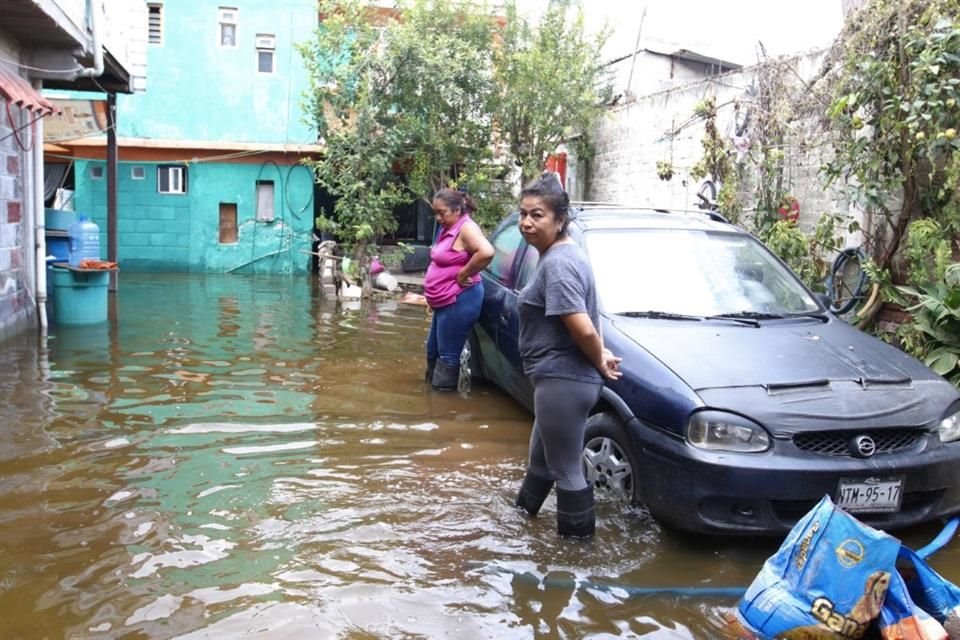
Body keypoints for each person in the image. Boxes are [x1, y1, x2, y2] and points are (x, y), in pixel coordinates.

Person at [513, 172, 622, 538]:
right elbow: (593, 316)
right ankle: (520, 522)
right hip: (557, 379)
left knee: (566, 470)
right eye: (524, 213)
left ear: (560, 220)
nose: (527, 222)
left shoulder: (559, 263)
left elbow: (583, 327)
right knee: (542, 463)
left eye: (538, 215)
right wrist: (601, 354)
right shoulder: (565, 253)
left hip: (563, 380)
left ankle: (575, 554)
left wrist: (597, 359)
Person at [423, 188, 494, 391]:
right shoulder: (447, 227)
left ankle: (442, 406)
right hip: (444, 301)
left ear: (457, 210)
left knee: (448, 356)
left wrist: (463, 274)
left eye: (442, 212)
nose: (438, 218)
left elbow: (487, 252)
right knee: (432, 350)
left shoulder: (467, 229)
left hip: (459, 300)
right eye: (435, 212)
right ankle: (429, 396)